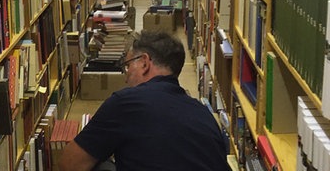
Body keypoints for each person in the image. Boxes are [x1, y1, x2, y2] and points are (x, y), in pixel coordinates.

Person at [59, 31, 231, 171]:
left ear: (144, 63)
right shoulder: (203, 113)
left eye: (127, 66)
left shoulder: (125, 103)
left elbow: (70, 164)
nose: (126, 77)